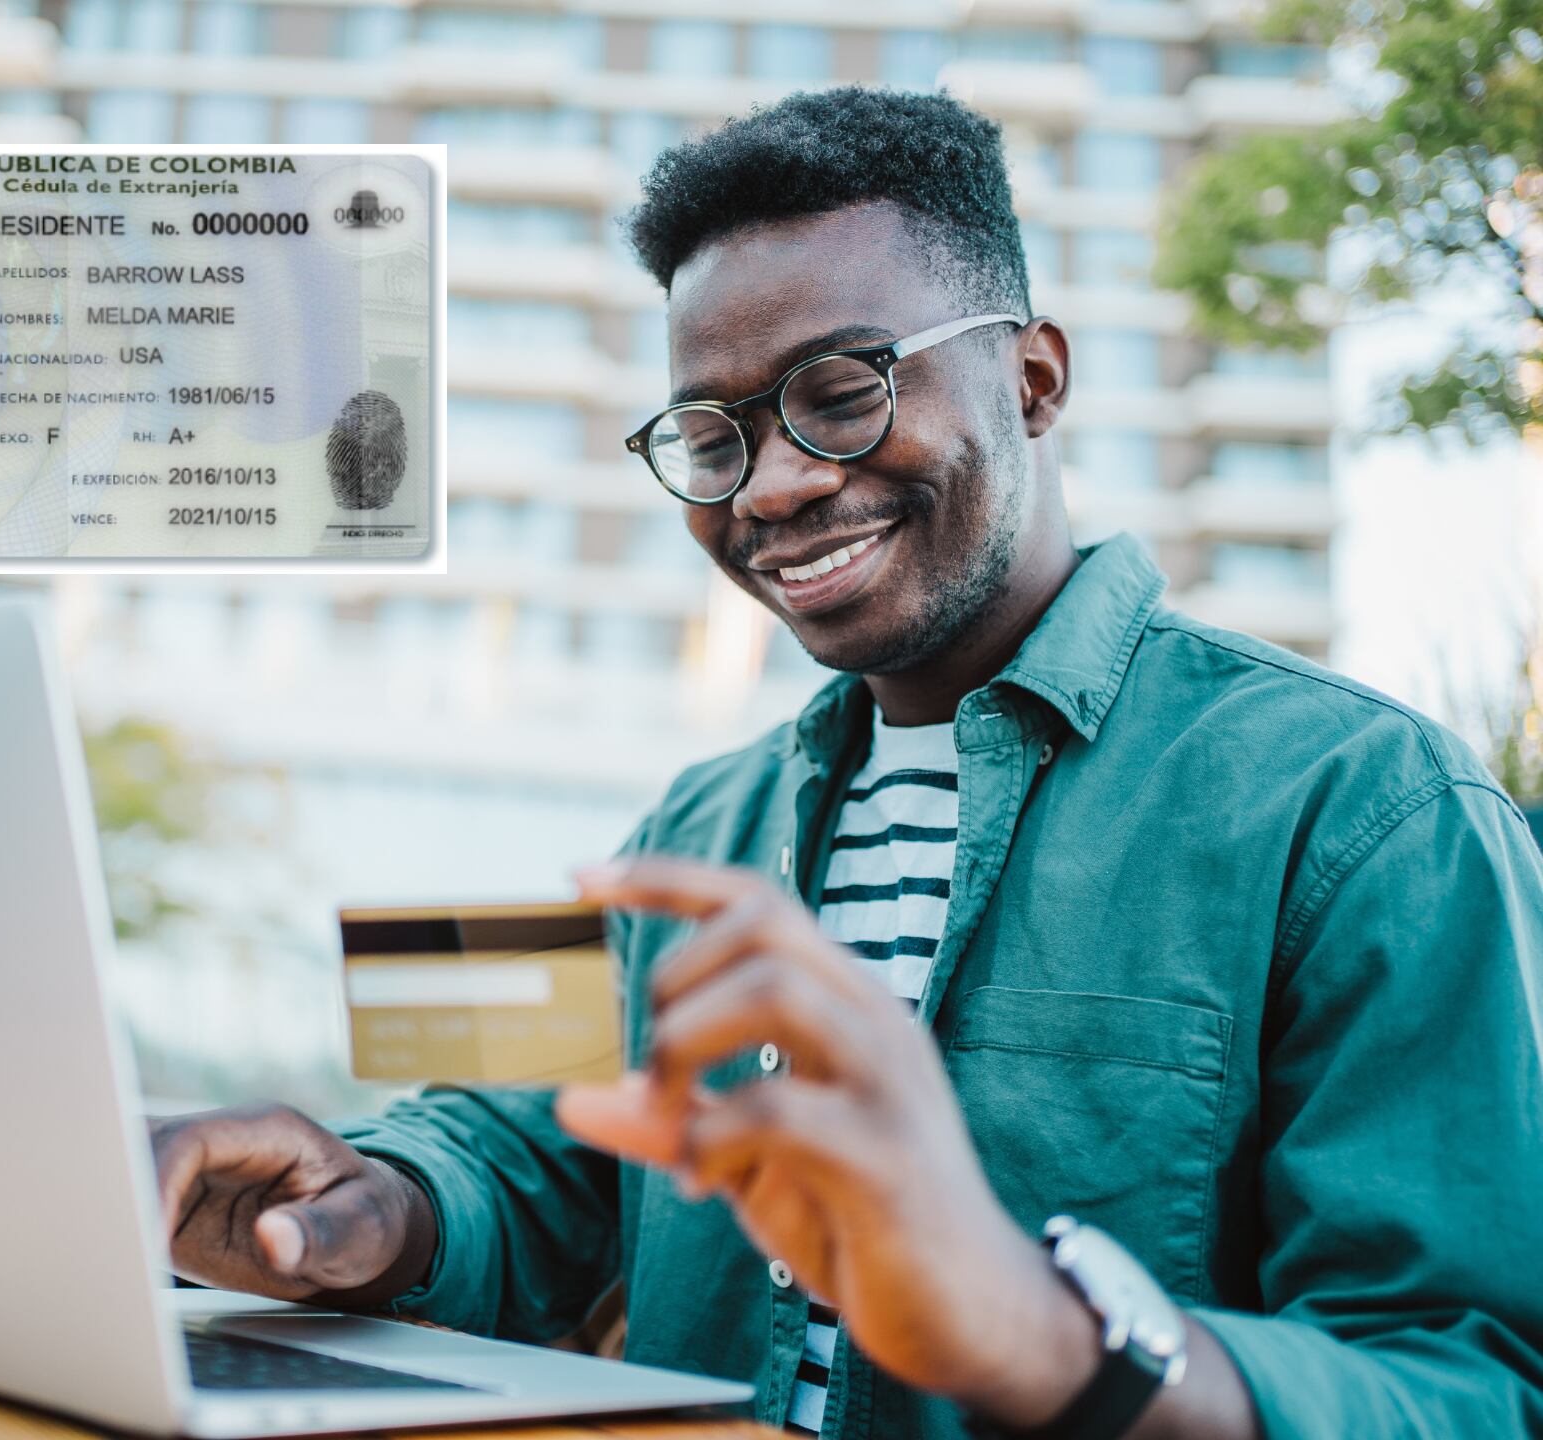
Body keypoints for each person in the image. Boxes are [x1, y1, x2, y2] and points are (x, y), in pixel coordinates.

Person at [150, 88, 1543, 1439]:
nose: (770, 488)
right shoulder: (702, 825)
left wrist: (1055, 1338)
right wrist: (361, 1210)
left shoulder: (1367, 810)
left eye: (841, 390)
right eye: (714, 437)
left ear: (1036, 379)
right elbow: (543, 1163)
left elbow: (1469, 1386)